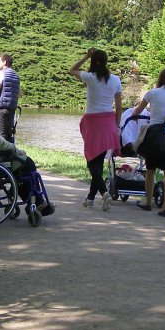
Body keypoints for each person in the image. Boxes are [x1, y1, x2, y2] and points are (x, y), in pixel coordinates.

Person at [69, 48, 122, 211]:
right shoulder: (116, 80)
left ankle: (104, 193)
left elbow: (72, 70)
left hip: (92, 122)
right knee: (97, 161)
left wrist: (86, 56)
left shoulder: (89, 77)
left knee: (91, 160)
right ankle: (90, 198)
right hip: (109, 123)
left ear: (94, 61)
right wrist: (117, 126)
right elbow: (119, 107)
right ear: (106, 62)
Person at [131, 67, 165, 217]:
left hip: (155, 136)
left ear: (160, 79)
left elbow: (137, 111)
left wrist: (135, 115)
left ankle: (148, 201)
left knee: (150, 170)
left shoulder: (152, 93)